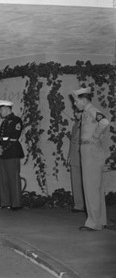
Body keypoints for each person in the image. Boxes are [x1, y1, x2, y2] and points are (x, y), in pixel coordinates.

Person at [72, 87, 110, 231]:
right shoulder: (86, 112)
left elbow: (104, 122)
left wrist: (95, 136)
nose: (75, 104)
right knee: (96, 187)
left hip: (91, 151)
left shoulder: (91, 110)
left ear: (83, 100)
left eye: (76, 101)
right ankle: (100, 220)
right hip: (90, 151)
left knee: (90, 187)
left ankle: (94, 223)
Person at [0, 100, 24, 211]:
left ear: (7, 109)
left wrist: (3, 148)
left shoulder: (16, 120)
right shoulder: (5, 122)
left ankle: (16, 204)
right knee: (3, 178)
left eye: (0, 110)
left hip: (11, 152)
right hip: (2, 153)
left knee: (13, 178)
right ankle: (5, 202)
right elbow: (0, 137)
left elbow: (14, 137)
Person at [68, 108, 85, 213]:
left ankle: (88, 206)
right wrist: (69, 155)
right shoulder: (75, 124)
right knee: (76, 181)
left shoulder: (88, 124)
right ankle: (78, 205)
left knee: (86, 182)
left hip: (84, 156)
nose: (74, 114)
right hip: (75, 156)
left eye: (76, 112)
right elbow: (72, 141)